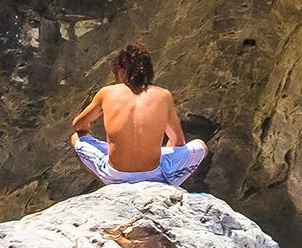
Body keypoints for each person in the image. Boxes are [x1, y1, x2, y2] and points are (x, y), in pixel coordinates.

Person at [71, 44, 205, 187]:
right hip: (155, 177)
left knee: (77, 137)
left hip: (114, 176)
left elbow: (78, 125)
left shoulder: (107, 92)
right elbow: (178, 142)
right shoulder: (163, 95)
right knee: (200, 146)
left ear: (120, 70)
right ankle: (166, 185)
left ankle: (108, 186)